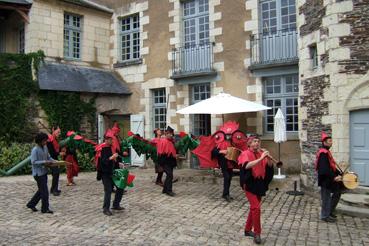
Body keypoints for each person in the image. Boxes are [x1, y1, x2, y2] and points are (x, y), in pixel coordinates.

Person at [238, 136, 274, 244]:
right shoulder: (245, 153)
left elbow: (269, 167)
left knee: (254, 208)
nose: (257, 143)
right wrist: (261, 158)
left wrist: (269, 159)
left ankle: (247, 230)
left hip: (259, 183)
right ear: (249, 144)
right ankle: (257, 233)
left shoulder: (261, 153)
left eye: (258, 141)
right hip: (249, 183)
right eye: (254, 141)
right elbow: (247, 165)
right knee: (256, 208)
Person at [315, 131, 342, 223]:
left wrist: (340, 174)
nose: (331, 142)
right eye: (330, 141)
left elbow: (332, 166)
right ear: (324, 142)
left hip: (330, 178)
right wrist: (334, 177)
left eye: (331, 141)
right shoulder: (323, 153)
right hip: (326, 180)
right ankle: (325, 216)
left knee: (337, 192)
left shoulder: (327, 152)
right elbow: (324, 170)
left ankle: (329, 211)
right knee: (326, 198)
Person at [97, 130, 124, 216]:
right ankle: (106, 209)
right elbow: (103, 162)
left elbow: (114, 159)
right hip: (105, 173)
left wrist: (118, 163)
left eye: (112, 139)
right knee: (108, 190)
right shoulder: (102, 148)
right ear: (106, 139)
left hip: (113, 171)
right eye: (110, 139)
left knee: (120, 187)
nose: (112, 141)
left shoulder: (112, 147)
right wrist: (111, 157)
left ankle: (116, 204)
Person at [26, 132, 55, 214]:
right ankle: (45, 209)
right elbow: (33, 162)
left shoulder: (45, 147)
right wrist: (44, 162)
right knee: (45, 191)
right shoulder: (35, 150)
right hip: (38, 174)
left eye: (46, 140)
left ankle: (31, 204)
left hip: (44, 172)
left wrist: (55, 162)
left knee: (41, 190)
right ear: (39, 141)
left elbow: (48, 157)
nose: (46, 142)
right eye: (44, 140)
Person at [157, 126, 177, 196]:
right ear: (166, 134)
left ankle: (165, 190)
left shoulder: (171, 142)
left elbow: (173, 152)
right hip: (164, 161)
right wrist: (160, 164)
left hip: (170, 162)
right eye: (169, 134)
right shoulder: (162, 141)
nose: (171, 135)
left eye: (172, 134)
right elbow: (160, 153)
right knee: (170, 175)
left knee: (169, 175)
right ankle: (169, 191)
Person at [47, 126, 61, 196]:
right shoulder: (50, 140)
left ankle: (54, 189)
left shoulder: (55, 139)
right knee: (56, 173)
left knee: (56, 173)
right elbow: (51, 152)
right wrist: (59, 153)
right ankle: (53, 190)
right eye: (58, 132)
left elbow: (57, 149)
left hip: (55, 158)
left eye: (59, 132)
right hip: (51, 159)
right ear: (53, 131)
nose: (59, 133)